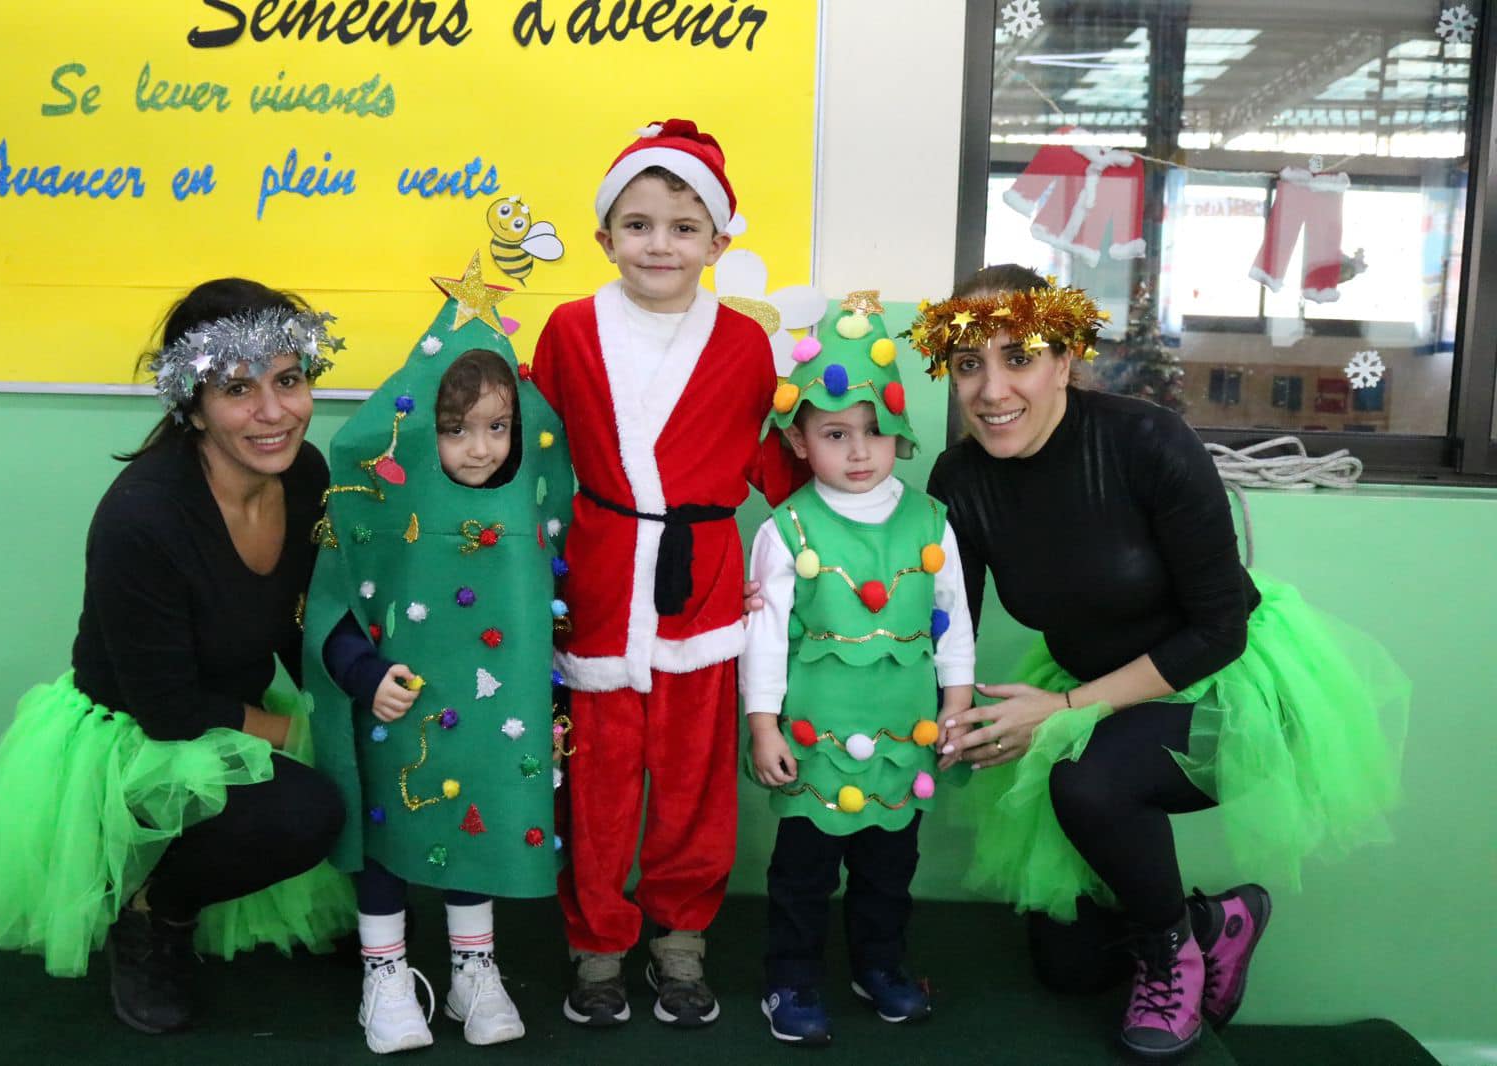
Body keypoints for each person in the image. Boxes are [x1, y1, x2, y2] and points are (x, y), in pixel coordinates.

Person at [915, 264, 1409, 1060]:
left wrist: (1067, 713)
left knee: (1088, 778)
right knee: (1068, 968)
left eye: (1019, 357)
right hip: (1094, 698)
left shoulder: (1147, 441)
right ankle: (1212, 923)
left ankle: (1166, 957)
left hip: (1229, 690)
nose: (992, 388)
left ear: (1065, 358)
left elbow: (1220, 630)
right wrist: (951, 712)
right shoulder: (960, 478)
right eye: (970, 363)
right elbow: (953, 630)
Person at [0, 278, 354, 1034]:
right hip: (138, 737)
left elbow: (299, 621)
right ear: (190, 405)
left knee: (367, 755)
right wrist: (305, 738)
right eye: (237, 389)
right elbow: (169, 709)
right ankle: (155, 911)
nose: (273, 412)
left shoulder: (308, 475)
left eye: (289, 380)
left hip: (228, 707)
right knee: (307, 809)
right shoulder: (142, 517)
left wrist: (353, 698)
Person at [529, 118, 804, 1028]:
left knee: (693, 780)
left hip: (705, 584)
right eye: (638, 224)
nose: (660, 244)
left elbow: (773, 466)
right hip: (605, 576)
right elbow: (530, 450)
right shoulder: (568, 331)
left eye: (684, 228)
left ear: (720, 241)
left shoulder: (748, 346)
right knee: (601, 780)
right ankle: (597, 944)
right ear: (605, 236)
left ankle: (680, 939)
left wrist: (789, 550)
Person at [301, 274, 573, 1054]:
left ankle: (471, 969)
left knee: (478, 826)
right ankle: (384, 975)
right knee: (388, 836)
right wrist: (362, 675)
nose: (480, 448)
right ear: (421, 427)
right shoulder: (378, 509)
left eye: (496, 427)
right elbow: (334, 606)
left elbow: (564, 598)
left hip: (494, 721)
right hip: (399, 716)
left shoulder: (532, 509)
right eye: (456, 429)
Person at [741, 297, 975, 1045]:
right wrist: (764, 726)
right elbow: (767, 639)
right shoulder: (788, 530)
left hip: (903, 743)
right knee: (803, 877)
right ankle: (791, 978)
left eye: (875, 430)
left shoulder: (932, 522)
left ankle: (879, 966)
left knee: (886, 873)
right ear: (801, 440)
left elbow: (955, 629)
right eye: (836, 433)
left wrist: (957, 711)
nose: (859, 450)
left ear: (899, 432)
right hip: (814, 745)